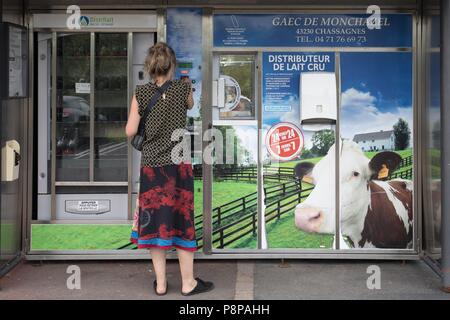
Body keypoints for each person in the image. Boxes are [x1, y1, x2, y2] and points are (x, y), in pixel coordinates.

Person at [125, 42, 214, 296]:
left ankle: (161, 284)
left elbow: (130, 131)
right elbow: (190, 105)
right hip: (179, 165)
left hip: (152, 166)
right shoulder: (182, 89)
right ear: (171, 65)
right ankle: (188, 283)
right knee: (182, 221)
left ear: (150, 67)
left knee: (156, 224)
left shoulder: (141, 93)